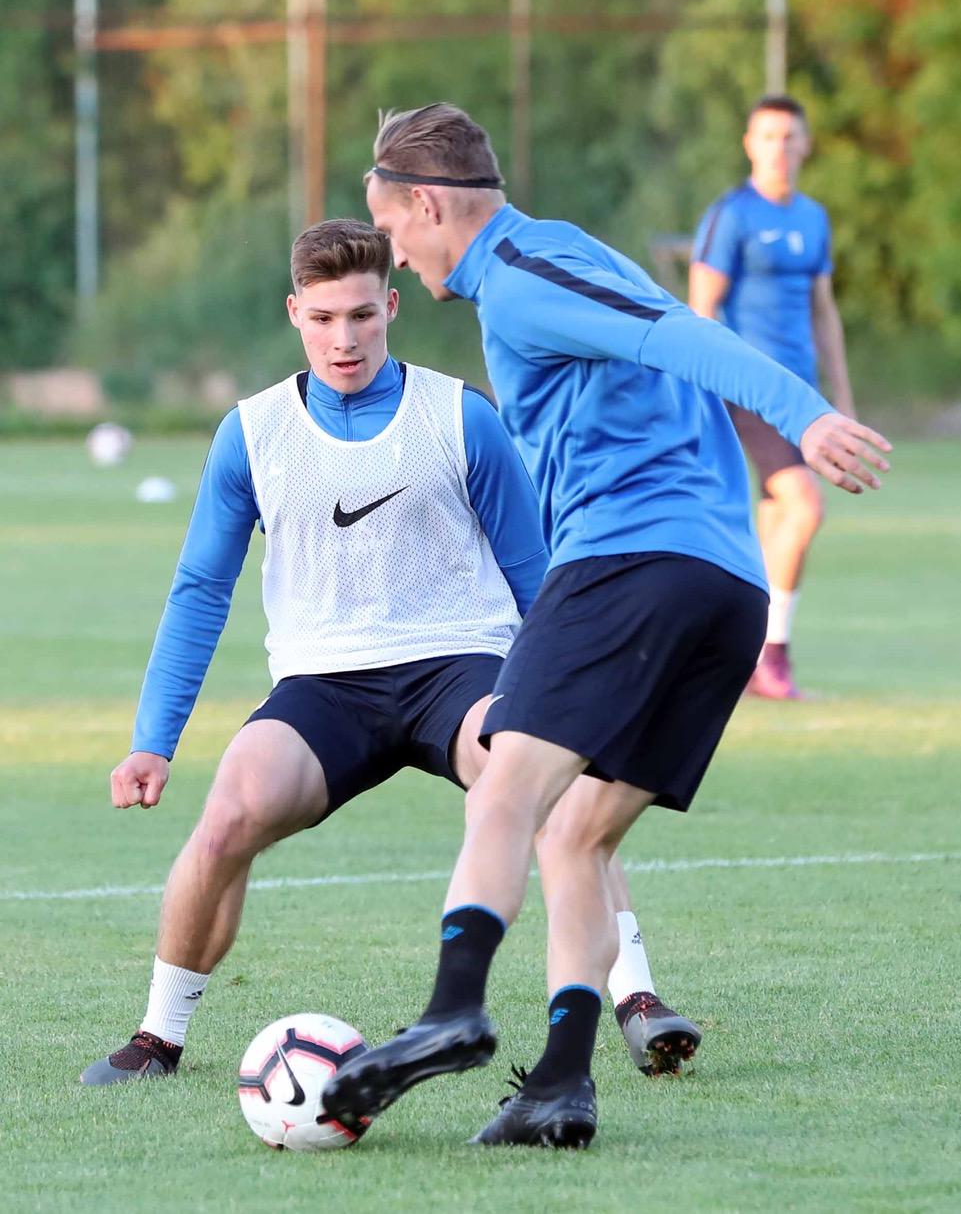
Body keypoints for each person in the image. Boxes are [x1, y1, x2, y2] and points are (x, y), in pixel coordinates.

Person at [320, 104, 891, 1148]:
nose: (393, 253)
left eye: (392, 227)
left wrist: (803, 415)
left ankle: (453, 1008)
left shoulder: (522, 274)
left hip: (635, 561)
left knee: (504, 788)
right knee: (574, 833)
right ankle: (560, 1087)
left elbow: (684, 335)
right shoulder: (558, 255)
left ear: (428, 204)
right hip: (721, 588)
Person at [80, 218, 697, 1087]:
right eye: (324, 318)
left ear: (392, 308)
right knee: (226, 818)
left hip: (460, 666)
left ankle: (637, 999)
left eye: (362, 316)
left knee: (546, 791)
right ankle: (158, 1037)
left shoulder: (461, 417)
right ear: (294, 313)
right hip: (323, 687)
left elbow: (537, 579)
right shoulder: (250, 434)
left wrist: (575, 708)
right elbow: (199, 592)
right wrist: (153, 740)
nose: (345, 339)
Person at [689, 95, 858, 699]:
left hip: (800, 395)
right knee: (806, 506)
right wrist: (703, 393)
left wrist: (842, 399)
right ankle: (772, 654)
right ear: (749, 145)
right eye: (767, 136)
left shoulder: (813, 218)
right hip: (747, 392)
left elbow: (823, 312)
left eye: (789, 137)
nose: (779, 148)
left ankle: (738, 658)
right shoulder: (731, 215)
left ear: (805, 144)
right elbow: (700, 310)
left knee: (774, 522)